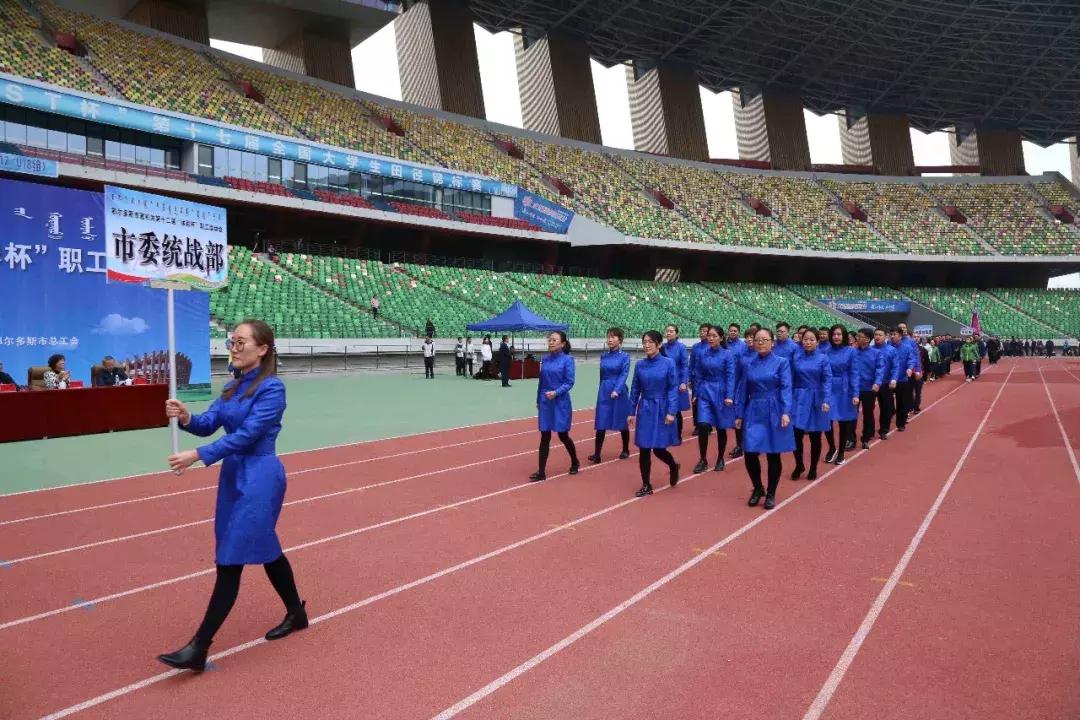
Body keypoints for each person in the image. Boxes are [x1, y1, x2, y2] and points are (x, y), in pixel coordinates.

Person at [159, 320, 306, 672]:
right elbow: (210, 422)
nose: (234, 347)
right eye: (231, 341)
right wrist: (187, 416)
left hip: (259, 477)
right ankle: (297, 612)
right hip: (233, 478)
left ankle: (199, 647)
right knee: (267, 550)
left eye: (241, 342)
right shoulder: (230, 387)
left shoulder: (272, 390)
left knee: (230, 559)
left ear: (263, 348)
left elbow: (250, 435)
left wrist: (198, 455)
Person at [735, 328, 794, 510]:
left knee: (772, 453)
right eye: (757, 340)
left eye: (765, 340)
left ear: (772, 342)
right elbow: (742, 389)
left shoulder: (781, 363)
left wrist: (786, 411)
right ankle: (758, 487)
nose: (760, 343)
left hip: (774, 409)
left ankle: (770, 492)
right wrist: (738, 414)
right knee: (750, 452)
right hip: (754, 409)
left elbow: (786, 387)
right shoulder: (749, 363)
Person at [628, 330, 680, 497]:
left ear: (658, 344)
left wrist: (672, 411)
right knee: (644, 448)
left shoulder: (668, 363)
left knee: (658, 449)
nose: (647, 345)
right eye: (644, 342)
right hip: (645, 408)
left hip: (662, 408)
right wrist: (631, 411)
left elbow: (673, 388)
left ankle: (673, 465)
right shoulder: (640, 365)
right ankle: (646, 484)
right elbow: (635, 389)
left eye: (650, 341)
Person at [530, 331, 579, 481]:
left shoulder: (568, 360)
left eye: (554, 340)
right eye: (549, 339)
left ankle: (575, 461)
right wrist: (538, 399)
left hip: (560, 401)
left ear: (563, 344)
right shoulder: (545, 360)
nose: (550, 342)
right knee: (545, 435)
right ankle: (541, 471)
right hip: (545, 401)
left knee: (563, 435)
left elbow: (570, 382)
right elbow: (542, 381)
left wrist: (556, 393)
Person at [691, 325, 736, 473]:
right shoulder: (702, 354)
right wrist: (696, 393)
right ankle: (703, 459)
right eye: (709, 336)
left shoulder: (727, 355)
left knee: (721, 427)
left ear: (721, 338)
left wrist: (729, 395)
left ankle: (720, 458)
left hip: (721, 392)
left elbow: (730, 376)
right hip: (705, 392)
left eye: (714, 336)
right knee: (703, 425)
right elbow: (698, 374)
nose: (710, 338)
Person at [791, 327, 832, 481]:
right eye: (805, 339)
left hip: (817, 398)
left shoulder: (823, 358)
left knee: (815, 436)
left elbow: (827, 380)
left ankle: (813, 467)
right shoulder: (796, 357)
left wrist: (826, 400)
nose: (808, 342)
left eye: (811, 339)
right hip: (798, 398)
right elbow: (791, 379)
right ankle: (799, 463)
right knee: (796, 434)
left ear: (817, 341)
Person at [589, 327, 632, 463]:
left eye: (613, 337)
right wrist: (601, 388)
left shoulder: (625, 357)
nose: (610, 339)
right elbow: (602, 375)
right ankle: (597, 454)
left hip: (618, 392)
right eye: (608, 337)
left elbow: (624, 374)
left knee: (621, 421)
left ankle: (625, 449)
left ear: (620, 340)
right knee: (601, 421)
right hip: (604, 391)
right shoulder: (604, 356)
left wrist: (617, 390)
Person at [824, 325, 859, 466]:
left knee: (844, 421)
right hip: (829, 387)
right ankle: (832, 447)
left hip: (845, 389)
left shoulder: (851, 352)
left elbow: (854, 373)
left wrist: (855, 393)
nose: (836, 337)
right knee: (827, 420)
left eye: (839, 334)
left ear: (844, 336)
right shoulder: (826, 351)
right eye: (834, 334)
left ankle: (842, 452)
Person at [854, 328, 885, 450]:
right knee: (851, 414)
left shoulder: (876, 353)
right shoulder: (852, 352)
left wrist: (877, 382)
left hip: (868, 389)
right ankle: (850, 438)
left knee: (868, 414)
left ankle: (866, 438)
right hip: (854, 389)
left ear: (867, 339)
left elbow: (880, 369)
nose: (857, 338)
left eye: (859, 336)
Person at [662, 324, 691, 438]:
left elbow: (684, 366)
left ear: (676, 334)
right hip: (664, 382)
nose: (668, 333)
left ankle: (677, 434)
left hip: (677, 382)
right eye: (667, 331)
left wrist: (684, 382)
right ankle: (666, 433)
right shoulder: (662, 347)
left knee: (676, 409)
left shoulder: (681, 347)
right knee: (664, 407)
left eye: (671, 331)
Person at [872, 328, 898, 440]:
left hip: (886, 383)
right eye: (876, 334)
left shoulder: (891, 350)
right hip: (872, 384)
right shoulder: (870, 350)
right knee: (869, 409)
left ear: (885, 336)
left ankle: (884, 429)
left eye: (880, 334)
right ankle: (868, 431)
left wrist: (894, 379)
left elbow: (896, 366)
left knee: (886, 408)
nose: (877, 336)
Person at [688, 323, 711, 434]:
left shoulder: (712, 346)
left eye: (705, 331)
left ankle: (708, 424)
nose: (702, 333)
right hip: (696, 379)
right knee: (695, 402)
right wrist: (689, 378)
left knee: (708, 402)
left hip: (708, 380)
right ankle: (697, 424)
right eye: (701, 330)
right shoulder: (696, 347)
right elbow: (691, 364)